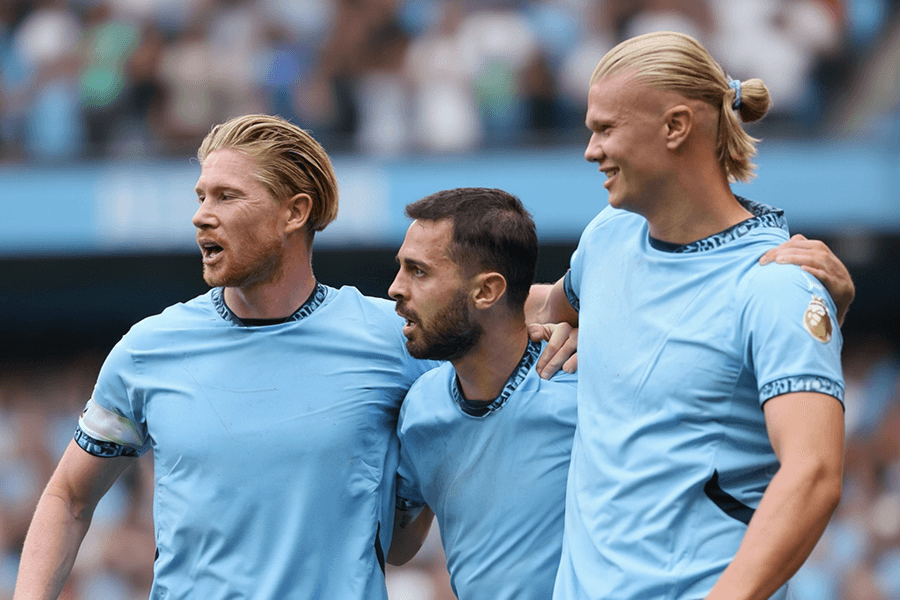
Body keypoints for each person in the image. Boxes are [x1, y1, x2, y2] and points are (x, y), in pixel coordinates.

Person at [13, 114, 439, 600]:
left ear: (294, 213)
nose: (201, 215)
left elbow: (408, 539)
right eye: (200, 196)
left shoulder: (395, 338)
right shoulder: (148, 350)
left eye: (226, 196)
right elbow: (68, 498)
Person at [533, 31, 846, 600]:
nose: (590, 150)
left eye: (605, 129)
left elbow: (815, 473)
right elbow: (548, 310)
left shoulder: (779, 285)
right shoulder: (607, 236)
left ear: (676, 126)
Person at [385, 187, 578, 600]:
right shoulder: (420, 407)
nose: (395, 289)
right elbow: (399, 547)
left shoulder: (585, 385)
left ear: (487, 291)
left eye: (418, 271)